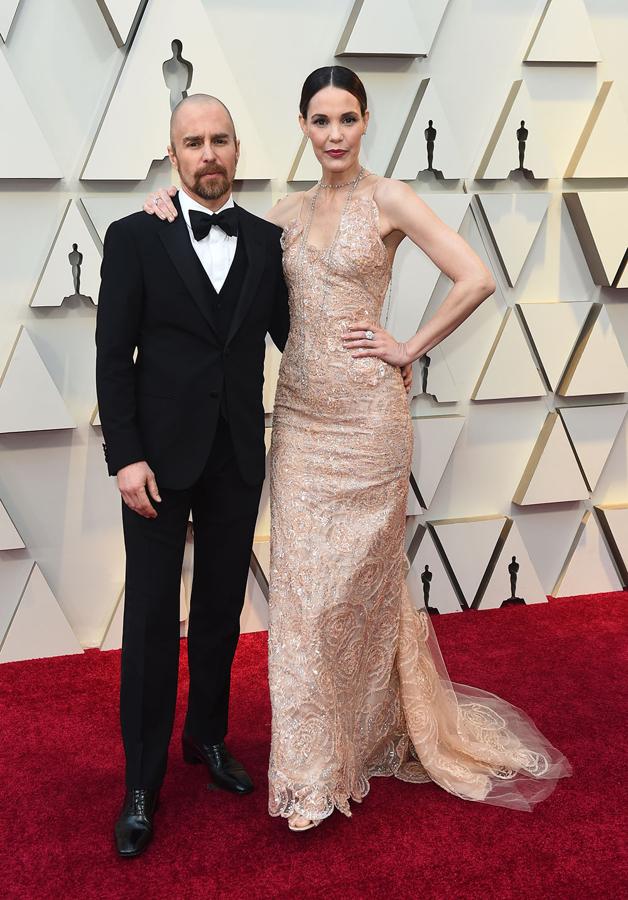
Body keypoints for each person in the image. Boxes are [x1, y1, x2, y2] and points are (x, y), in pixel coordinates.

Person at [145, 66, 571, 833]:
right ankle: (310, 772)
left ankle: (364, 735)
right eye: (320, 120)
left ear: (366, 122)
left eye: (347, 119)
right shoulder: (283, 215)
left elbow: (474, 276)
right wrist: (165, 209)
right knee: (304, 604)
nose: (334, 134)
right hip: (301, 423)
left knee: (359, 597)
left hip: (369, 424)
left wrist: (408, 346)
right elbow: (211, 257)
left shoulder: (392, 198)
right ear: (303, 127)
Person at [97, 95, 295, 858]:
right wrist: (125, 456)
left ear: (237, 149)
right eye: (193, 143)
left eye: (219, 141)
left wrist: (379, 359)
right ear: (172, 155)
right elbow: (115, 357)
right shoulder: (134, 237)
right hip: (154, 461)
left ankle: (206, 739)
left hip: (235, 456)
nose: (207, 154)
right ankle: (141, 784)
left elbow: (295, 338)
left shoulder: (269, 242)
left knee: (219, 610)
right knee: (150, 621)